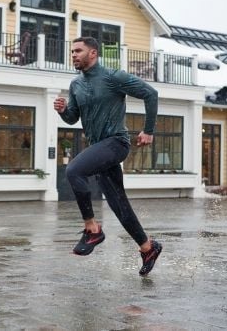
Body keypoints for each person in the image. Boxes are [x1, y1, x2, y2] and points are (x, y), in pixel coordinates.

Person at [53, 36, 162, 276]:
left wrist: (149, 130)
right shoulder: (76, 85)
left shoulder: (113, 77)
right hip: (100, 148)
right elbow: (73, 118)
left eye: (78, 51)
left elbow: (151, 94)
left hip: (116, 143)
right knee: (117, 203)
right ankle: (148, 247)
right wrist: (63, 111)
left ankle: (92, 229)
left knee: (74, 170)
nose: (73, 55)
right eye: (72, 51)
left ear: (93, 53)